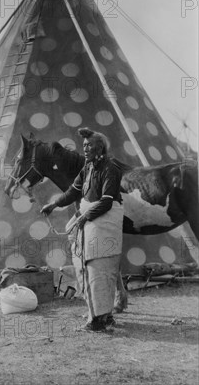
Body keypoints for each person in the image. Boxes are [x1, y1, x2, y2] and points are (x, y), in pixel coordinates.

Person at [41, 127, 124, 332]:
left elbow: (106, 201)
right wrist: (54, 204)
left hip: (105, 220)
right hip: (90, 217)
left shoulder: (110, 169)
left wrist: (85, 217)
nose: (85, 149)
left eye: (90, 146)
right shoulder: (87, 168)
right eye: (84, 145)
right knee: (83, 264)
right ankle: (100, 314)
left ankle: (99, 319)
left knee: (98, 266)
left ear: (101, 148)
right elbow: (74, 191)